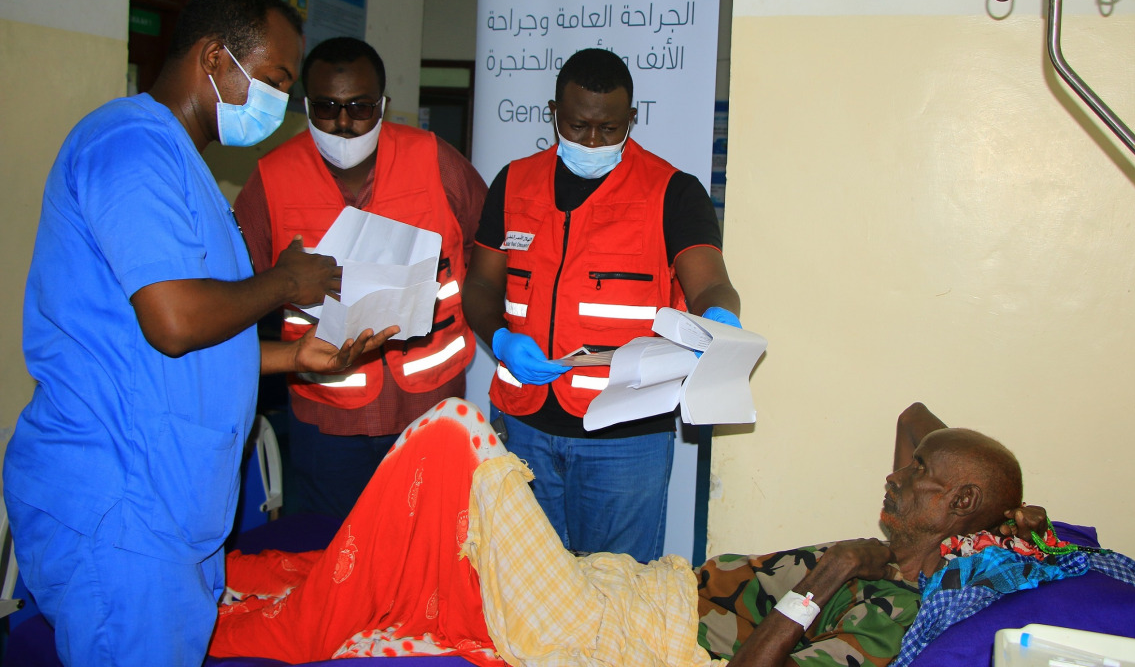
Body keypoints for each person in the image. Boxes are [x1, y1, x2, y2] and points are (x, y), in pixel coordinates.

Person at [3, 0, 397, 667]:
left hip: (173, 509)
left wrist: (295, 359)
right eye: (274, 80)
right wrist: (284, 282)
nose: (279, 103)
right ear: (216, 58)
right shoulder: (129, 148)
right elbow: (175, 322)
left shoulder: (190, 174)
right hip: (118, 503)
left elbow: (190, 345)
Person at [206, 400, 1043, 667]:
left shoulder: (891, 608)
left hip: (615, 637)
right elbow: (915, 419)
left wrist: (827, 575)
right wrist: (1004, 513)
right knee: (441, 528)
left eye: (915, 480)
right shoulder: (938, 528)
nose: (893, 479)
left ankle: (302, 617)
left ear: (956, 506)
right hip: (635, 586)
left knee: (454, 431)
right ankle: (323, 590)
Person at [462, 47, 742, 562]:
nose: (591, 141)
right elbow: (480, 285)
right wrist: (499, 338)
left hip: (625, 436)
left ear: (632, 119)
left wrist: (719, 320)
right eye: (576, 126)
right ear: (553, 113)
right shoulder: (514, 183)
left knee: (617, 592)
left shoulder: (672, 193)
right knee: (526, 588)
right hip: (525, 424)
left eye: (609, 129)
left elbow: (709, 285)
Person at [235, 36, 486, 519]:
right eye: (327, 108)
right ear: (306, 105)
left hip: (429, 406)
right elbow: (239, 288)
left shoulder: (435, 160)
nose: (345, 123)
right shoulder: (272, 177)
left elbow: (486, 251)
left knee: (426, 554)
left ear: (384, 105)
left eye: (360, 107)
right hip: (325, 418)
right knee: (330, 560)